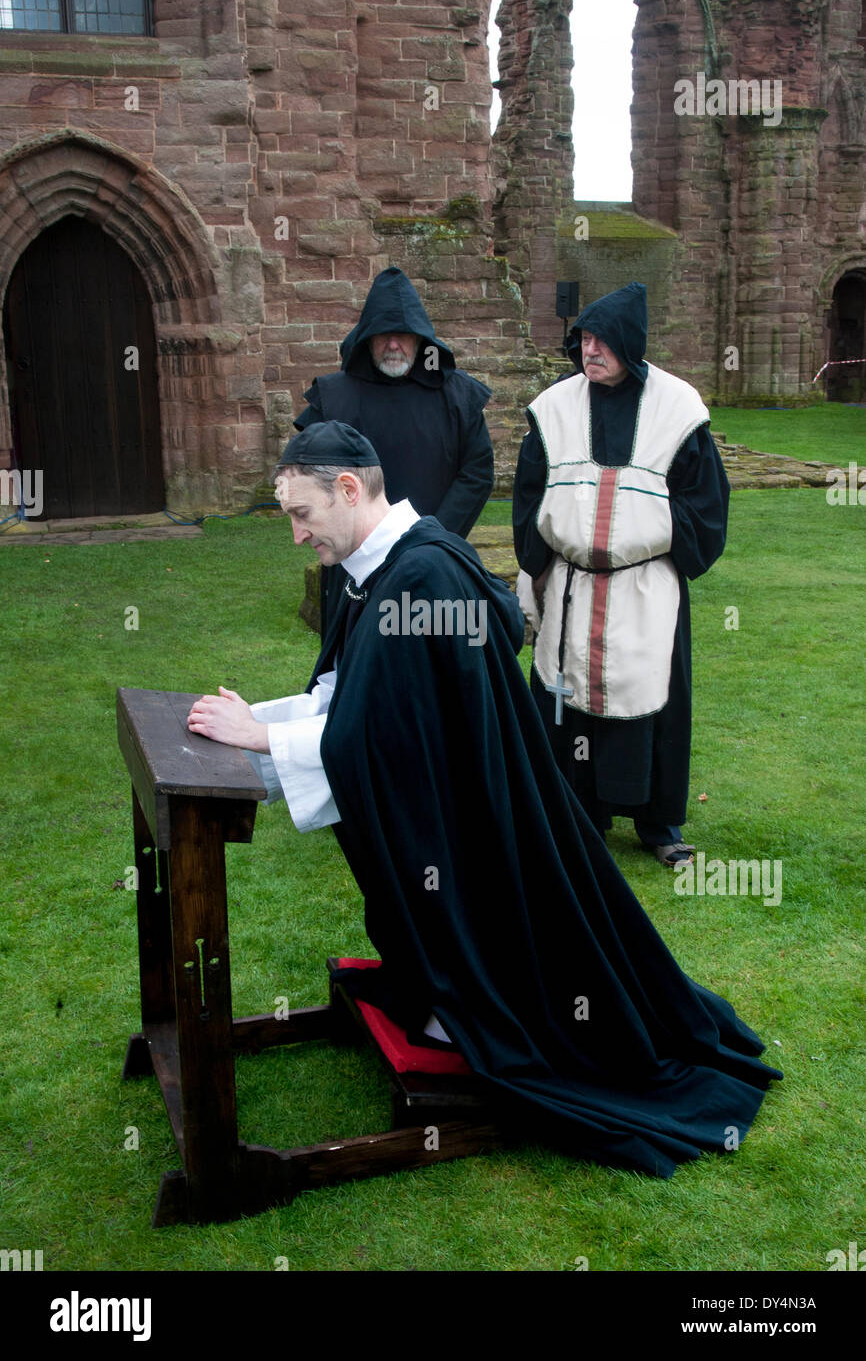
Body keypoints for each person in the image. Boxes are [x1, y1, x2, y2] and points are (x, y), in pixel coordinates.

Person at [187, 419, 780, 1181]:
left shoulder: (422, 574)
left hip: (465, 826)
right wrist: (257, 724)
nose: (297, 535)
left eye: (301, 514)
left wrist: (262, 740)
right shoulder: (389, 566)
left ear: (346, 489)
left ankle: (472, 1010)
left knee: (510, 966)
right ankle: (448, 997)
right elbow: (353, 698)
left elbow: (390, 734)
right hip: (458, 811)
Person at [513, 281, 730, 867]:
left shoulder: (678, 410)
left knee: (650, 695)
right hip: (571, 586)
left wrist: (642, 530)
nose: (590, 351)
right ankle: (576, 816)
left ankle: (658, 824)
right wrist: (533, 568)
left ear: (629, 346)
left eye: (602, 342)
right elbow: (530, 493)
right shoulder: (554, 408)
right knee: (566, 702)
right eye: (583, 340)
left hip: (645, 588)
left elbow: (705, 505)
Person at [294, 265, 494, 634]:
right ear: (366, 339)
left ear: (420, 340)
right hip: (352, 563)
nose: (393, 345)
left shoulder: (457, 395)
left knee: (426, 664)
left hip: (431, 559)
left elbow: (477, 472)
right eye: (383, 335)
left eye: (403, 335)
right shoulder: (335, 397)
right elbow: (308, 476)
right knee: (353, 668)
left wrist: (430, 539)